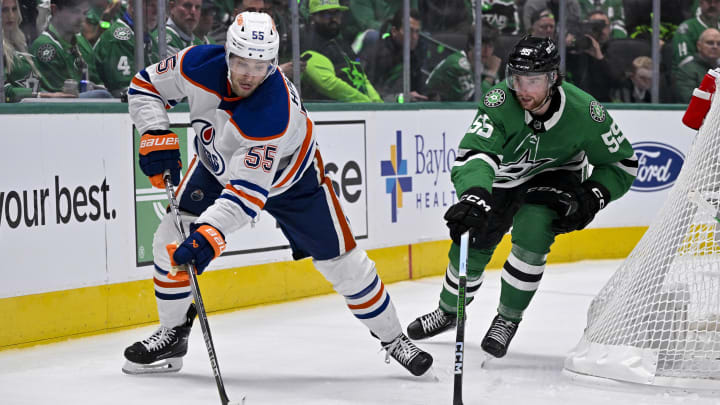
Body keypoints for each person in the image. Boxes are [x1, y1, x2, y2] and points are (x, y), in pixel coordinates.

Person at [121, 11, 433, 377]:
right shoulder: (196, 62)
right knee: (170, 238)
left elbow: (248, 193)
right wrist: (154, 130)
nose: (249, 74)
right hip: (216, 166)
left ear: (272, 62)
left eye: (261, 64)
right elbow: (145, 86)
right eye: (241, 62)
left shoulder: (272, 110)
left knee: (344, 264)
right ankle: (172, 334)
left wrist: (211, 235)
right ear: (227, 54)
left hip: (293, 182)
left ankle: (394, 338)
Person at [406, 36, 637, 360]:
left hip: (554, 176)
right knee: (471, 240)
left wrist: (593, 195)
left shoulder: (586, 112)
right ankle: (449, 312)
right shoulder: (500, 101)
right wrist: (474, 195)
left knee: (534, 228)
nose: (522, 89)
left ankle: (507, 318)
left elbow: (622, 164)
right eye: (517, 79)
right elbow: (477, 153)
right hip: (504, 180)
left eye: (533, 80)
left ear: (553, 78)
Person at [301, 0, 382, 102]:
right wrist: (367, 103)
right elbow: (331, 86)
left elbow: (361, 77)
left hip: (360, 110)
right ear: (313, 18)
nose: (334, 19)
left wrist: (377, 102)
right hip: (331, 113)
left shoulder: (341, 43)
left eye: (337, 13)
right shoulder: (310, 48)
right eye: (326, 14)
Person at [29, 0, 108, 95]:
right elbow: (62, 100)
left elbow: (98, 83)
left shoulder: (82, 42)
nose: (81, 18)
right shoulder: (45, 47)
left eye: (84, 13)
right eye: (74, 11)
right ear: (55, 10)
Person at [2, 0, 73, 100]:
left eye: (14, 9)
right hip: (16, 110)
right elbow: (3, 90)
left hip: (35, 102)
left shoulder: (20, 41)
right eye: (4, 10)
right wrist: (41, 95)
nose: (11, 15)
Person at [93, 0, 159, 97]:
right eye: (150, 5)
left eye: (160, 6)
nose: (156, 11)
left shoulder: (150, 38)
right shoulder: (119, 37)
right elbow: (124, 89)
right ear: (132, 4)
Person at [361, 8, 428, 102]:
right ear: (394, 31)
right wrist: (400, 98)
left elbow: (420, 90)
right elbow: (369, 95)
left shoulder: (414, 56)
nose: (414, 37)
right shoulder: (377, 55)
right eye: (409, 31)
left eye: (417, 32)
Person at [424, 26, 501, 101]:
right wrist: (491, 73)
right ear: (471, 44)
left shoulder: (486, 64)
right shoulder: (458, 65)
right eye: (482, 45)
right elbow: (475, 100)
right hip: (430, 108)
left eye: (490, 46)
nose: (486, 51)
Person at [565, 10, 615, 101]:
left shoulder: (615, 49)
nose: (601, 31)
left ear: (610, 29)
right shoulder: (575, 49)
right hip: (577, 102)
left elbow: (615, 83)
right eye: (596, 27)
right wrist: (567, 46)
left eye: (604, 26)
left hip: (603, 104)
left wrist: (600, 58)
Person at [673, 0, 720, 74]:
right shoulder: (687, 28)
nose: (713, 5)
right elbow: (684, 61)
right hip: (693, 77)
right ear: (701, 3)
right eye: (709, 2)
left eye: (716, 2)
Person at [676, 27, 720, 102]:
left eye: (719, 44)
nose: (715, 46)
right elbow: (690, 99)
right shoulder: (687, 69)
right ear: (699, 46)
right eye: (710, 43)